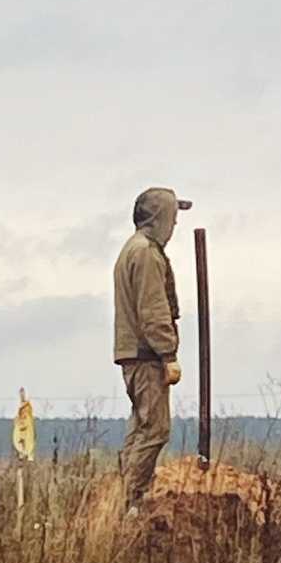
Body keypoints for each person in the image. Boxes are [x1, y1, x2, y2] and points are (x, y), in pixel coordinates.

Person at [114, 187, 191, 511]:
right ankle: (130, 502)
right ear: (159, 218)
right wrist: (168, 354)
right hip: (146, 356)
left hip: (135, 354)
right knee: (156, 430)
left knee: (142, 427)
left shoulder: (134, 249)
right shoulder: (145, 253)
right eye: (172, 217)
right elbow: (153, 309)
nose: (174, 225)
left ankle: (123, 497)